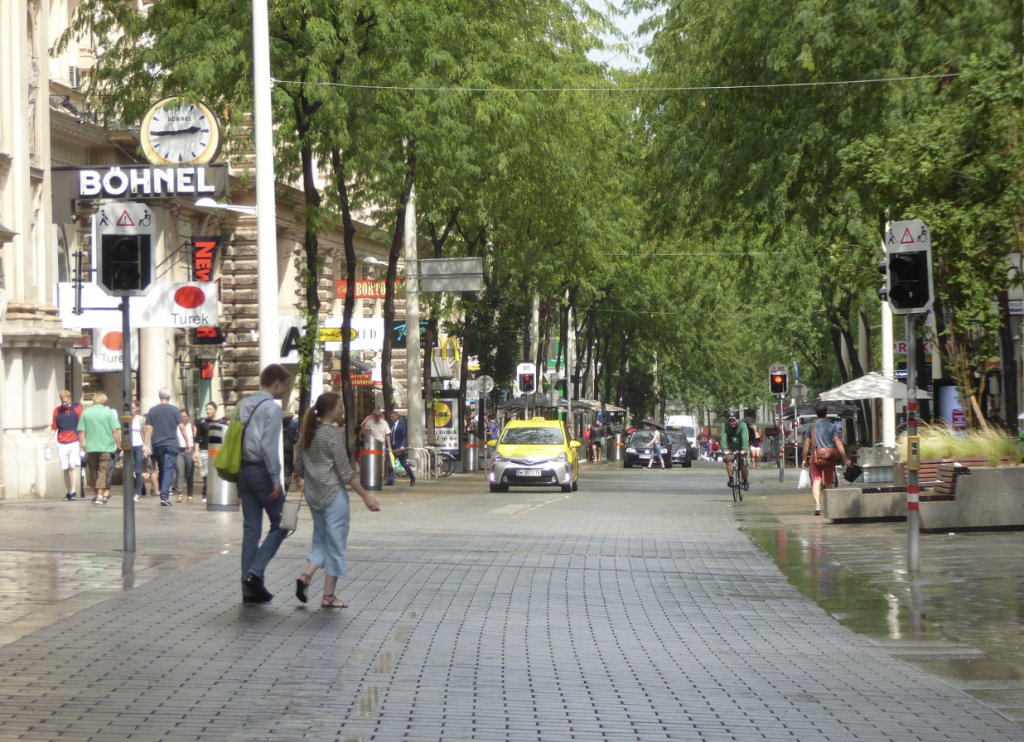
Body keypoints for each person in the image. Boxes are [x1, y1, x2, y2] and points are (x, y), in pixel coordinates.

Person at [294, 393, 380, 608]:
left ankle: (306, 576)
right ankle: (328, 596)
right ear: (330, 410)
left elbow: (300, 468)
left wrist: (315, 479)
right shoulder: (333, 435)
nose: (343, 410)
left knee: (320, 541)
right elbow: (345, 472)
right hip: (334, 497)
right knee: (335, 545)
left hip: (314, 497)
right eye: (340, 406)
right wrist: (366, 496)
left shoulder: (308, 434)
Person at [238, 364, 292, 604]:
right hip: (262, 471)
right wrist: (276, 478)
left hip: (243, 470)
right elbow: (269, 446)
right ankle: (255, 572)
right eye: (285, 385)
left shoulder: (243, 404)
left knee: (251, 530)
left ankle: (249, 591)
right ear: (277, 383)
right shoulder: (272, 408)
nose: (285, 390)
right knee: (283, 523)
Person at [801, 402, 851, 516]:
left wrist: (804, 458)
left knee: (816, 481)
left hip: (815, 458)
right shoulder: (832, 426)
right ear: (826, 412)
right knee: (828, 482)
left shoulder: (811, 427)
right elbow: (838, 443)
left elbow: (806, 443)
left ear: (816, 413)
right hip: (829, 458)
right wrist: (845, 458)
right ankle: (830, 506)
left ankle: (817, 506)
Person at [142, 388, 187, 506]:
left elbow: (148, 428)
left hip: (158, 444)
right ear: (170, 396)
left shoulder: (152, 410)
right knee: (168, 469)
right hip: (171, 443)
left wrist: (145, 444)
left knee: (162, 469)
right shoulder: (175, 410)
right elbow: (182, 427)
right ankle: (165, 495)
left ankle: (162, 492)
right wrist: (187, 442)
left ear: (159, 396)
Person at [77, 392, 121, 505]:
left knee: (93, 470)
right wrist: (119, 444)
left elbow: (82, 431)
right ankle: (100, 496)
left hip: (91, 447)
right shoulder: (109, 412)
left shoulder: (86, 413)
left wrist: (81, 445)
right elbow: (115, 430)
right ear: (104, 401)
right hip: (106, 447)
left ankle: (96, 494)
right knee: (103, 471)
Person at [47, 390, 83, 501]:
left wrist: (82, 443)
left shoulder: (77, 409)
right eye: (62, 402)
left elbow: (82, 426)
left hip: (74, 441)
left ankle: (74, 491)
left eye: (66, 402)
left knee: (73, 466)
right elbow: (54, 427)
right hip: (62, 442)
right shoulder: (57, 411)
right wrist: (49, 441)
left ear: (70, 398)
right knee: (65, 469)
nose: (64, 404)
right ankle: (69, 492)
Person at [193, 402, 226, 502]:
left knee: (216, 473)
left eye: (210, 409)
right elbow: (197, 438)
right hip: (205, 450)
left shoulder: (221, 422)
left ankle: (216, 493)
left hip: (218, 451)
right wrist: (196, 452)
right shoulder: (202, 422)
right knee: (205, 474)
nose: (208, 411)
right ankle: (205, 493)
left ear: (215, 410)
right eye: (207, 409)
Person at [361, 408, 393, 485]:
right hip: (372, 446)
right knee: (372, 462)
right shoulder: (369, 423)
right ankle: (372, 478)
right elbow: (367, 435)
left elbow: (387, 435)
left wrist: (389, 447)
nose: (378, 417)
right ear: (373, 416)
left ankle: (379, 479)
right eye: (376, 416)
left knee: (381, 462)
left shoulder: (384, 423)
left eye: (379, 415)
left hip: (381, 445)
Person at [721, 414, 749, 490]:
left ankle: (746, 481)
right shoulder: (725, 426)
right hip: (731, 448)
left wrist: (744, 449)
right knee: (728, 460)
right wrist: (725, 450)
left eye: (733, 420)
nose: (732, 423)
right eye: (730, 421)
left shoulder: (742, 425)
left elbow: (745, 438)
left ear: (736, 419)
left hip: (741, 447)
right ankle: (731, 479)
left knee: (743, 463)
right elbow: (723, 438)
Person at [173, 410, 196, 502]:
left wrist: (196, 452)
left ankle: (190, 494)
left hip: (190, 451)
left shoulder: (192, 427)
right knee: (180, 472)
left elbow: (196, 440)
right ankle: (180, 493)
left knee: (189, 473)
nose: (183, 418)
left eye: (185, 416)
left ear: (188, 416)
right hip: (179, 451)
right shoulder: (176, 427)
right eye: (181, 416)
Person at [389, 411, 416, 486]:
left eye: (392, 416)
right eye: (390, 417)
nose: (391, 418)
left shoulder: (401, 425)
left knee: (404, 464)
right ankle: (390, 480)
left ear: (396, 417)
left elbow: (404, 436)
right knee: (390, 465)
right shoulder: (392, 426)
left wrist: (402, 446)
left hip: (399, 449)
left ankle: (412, 477)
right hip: (393, 448)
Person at [129, 400, 146, 501]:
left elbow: (146, 432)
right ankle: (131, 490)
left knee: (138, 470)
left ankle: (137, 493)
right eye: (130, 408)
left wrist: (146, 446)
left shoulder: (142, 419)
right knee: (129, 469)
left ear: (137, 408)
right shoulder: (127, 418)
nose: (131, 410)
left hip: (139, 445)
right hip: (129, 447)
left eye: (133, 408)